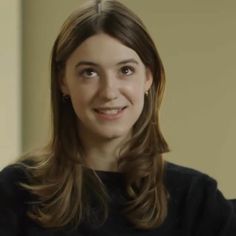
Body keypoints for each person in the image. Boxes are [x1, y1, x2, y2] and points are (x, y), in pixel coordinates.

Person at [0, 0, 235, 235]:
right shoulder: (16, 191)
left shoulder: (195, 199)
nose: (109, 92)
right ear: (63, 81)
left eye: (125, 70)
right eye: (89, 73)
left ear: (148, 77)